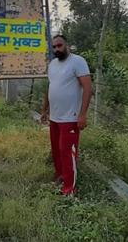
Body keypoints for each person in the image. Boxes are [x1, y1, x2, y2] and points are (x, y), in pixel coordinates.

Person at [41, 34, 92, 196]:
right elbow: (50, 88)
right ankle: (60, 178)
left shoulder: (78, 61)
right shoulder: (53, 65)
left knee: (67, 152)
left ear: (67, 45)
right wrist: (44, 110)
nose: (57, 49)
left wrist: (82, 115)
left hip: (70, 118)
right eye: (54, 47)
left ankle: (70, 189)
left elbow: (88, 89)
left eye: (60, 45)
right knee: (56, 150)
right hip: (54, 117)